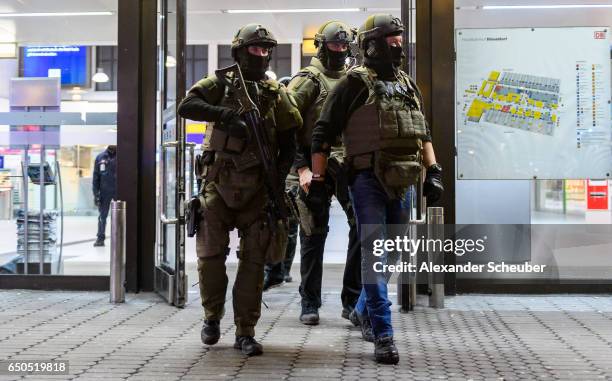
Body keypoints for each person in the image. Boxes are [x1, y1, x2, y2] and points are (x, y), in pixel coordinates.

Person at [308, 14, 444, 364]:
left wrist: (434, 171)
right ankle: (383, 334)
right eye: (391, 41)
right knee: (374, 255)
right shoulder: (352, 85)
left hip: (404, 180)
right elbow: (322, 134)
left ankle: (359, 309)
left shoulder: (407, 84)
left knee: (395, 252)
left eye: (400, 41)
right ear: (371, 45)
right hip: (366, 179)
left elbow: (423, 132)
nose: (398, 47)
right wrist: (319, 181)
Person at [177, 23, 301, 356]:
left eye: (266, 50)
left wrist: (278, 175)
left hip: (259, 189)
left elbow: (291, 139)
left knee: (254, 262)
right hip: (218, 185)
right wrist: (225, 116)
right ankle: (211, 318)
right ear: (240, 52)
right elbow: (187, 106)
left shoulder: (278, 93)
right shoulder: (220, 83)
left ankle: (246, 331)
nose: (261, 55)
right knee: (210, 258)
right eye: (255, 49)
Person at [283, 21, 362, 326]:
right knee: (313, 232)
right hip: (313, 163)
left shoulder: (355, 79)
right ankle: (309, 302)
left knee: (360, 225)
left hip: (346, 164)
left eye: (345, 46)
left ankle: (351, 299)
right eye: (335, 45)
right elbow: (287, 125)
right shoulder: (307, 80)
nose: (341, 51)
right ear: (321, 45)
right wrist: (301, 167)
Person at [263, 76, 298, 290]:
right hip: (280, 177)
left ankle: (279, 270)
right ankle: (277, 269)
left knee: (287, 227)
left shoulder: (289, 114)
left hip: (289, 179)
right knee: (281, 226)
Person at [92, 145, 117, 247]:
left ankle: (122, 237)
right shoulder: (100, 157)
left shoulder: (124, 156)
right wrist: (96, 194)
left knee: (122, 216)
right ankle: (100, 238)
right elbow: (96, 177)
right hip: (104, 192)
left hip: (119, 191)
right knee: (102, 216)